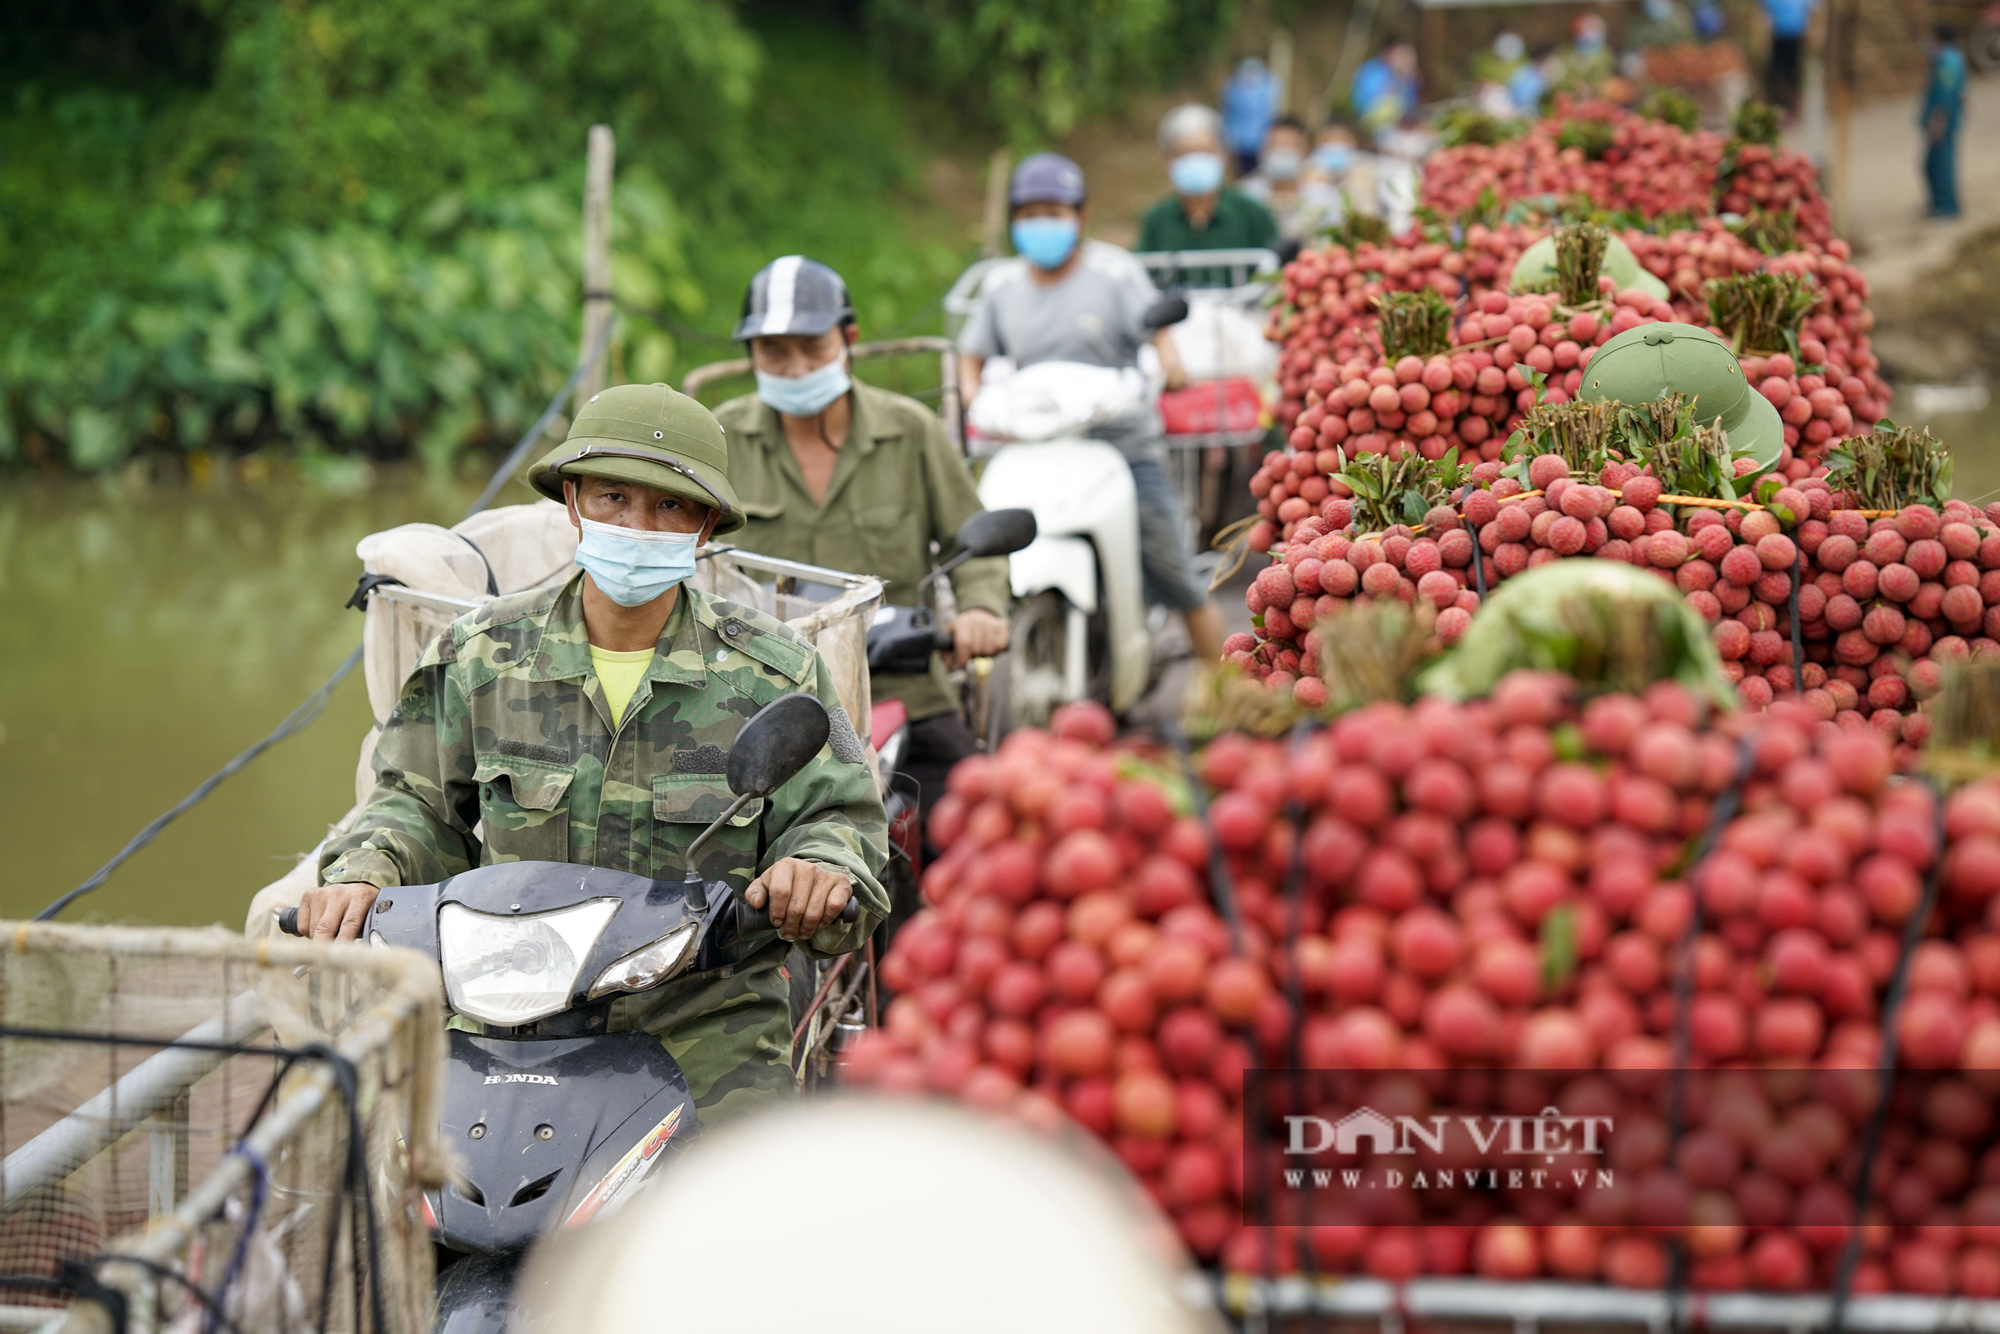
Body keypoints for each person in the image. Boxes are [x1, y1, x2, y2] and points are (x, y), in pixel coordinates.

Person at [298, 383, 889, 1124]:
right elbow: (410, 804)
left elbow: (841, 819)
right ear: (573, 502)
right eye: (613, 497)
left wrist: (821, 868)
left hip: (703, 1029)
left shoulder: (777, 672)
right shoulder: (479, 657)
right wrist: (363, 875)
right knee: (409, 1207)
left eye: (671, 506)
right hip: (509, 1022)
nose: (639, 526)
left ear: (705, 527)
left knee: (737, 1220)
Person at [711, 256, 1011, 821]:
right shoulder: (720, 437)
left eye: (812, 347)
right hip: (755, 695)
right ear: (750, 353)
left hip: (901, 684)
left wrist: (979, 609)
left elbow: (972, 544)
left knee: (970, 821)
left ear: (849, 339)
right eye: (774, 350)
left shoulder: (910, 430)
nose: (795, 367)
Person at [960, 153, 1228, 666]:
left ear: (1080, 217)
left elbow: (1159, 335)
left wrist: (1171, 366)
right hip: (1035, 444)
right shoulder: (1001, 287)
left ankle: (1233, 693)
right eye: (1030, 212)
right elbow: (971, 355)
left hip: (1119, 445)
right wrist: (973, 395)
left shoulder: (1115, 272)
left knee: (1174, 571)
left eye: (1054, 212)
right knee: (986, 565)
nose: (1042, 223)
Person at [1137, 103, 1280, 255]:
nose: (1195, 161)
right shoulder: (1158, 220)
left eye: (1204, 152)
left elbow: (1277, 266)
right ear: (1168, 161)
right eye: (1185, 154)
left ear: (1223, 156)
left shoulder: (1251, 214)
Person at [1239, 116, 1331, 240]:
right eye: (1275, 145)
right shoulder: (1246, 195)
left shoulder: (1323, 199)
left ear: (1305, 150)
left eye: (1288, 145)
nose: (1281, 151)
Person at [1922, 25, 1967, 218]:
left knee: (1941, 164)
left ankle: (1948, 206)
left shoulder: (1948, 61)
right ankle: (1939, 203)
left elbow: (1946, 91)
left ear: (1938, 38)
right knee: (1933, 164)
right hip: (1946, 118)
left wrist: (1939, 119)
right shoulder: (1951, 56)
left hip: (1943, 120)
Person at [1222, 56, 1280, 177]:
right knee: (1241, 172)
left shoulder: (1268, 86)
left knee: (1259, 172)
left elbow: (1271, 112)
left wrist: (1269, 137)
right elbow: (1227, 113)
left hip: (1261, 140)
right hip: (1238, 141)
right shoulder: (1232, 86)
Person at [1349, 40, 1419, 140]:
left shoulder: (1408, 76)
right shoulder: (1372, 70)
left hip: (1399, 123)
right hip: (1372, 121)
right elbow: (1366, 100)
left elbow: (1411, 103)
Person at [1761, 0, 1813, 112]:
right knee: (1780, 72)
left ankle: (1789, 107)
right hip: (1780, 35)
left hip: (1795, 35)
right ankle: (1780, 105)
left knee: (1790, 73)